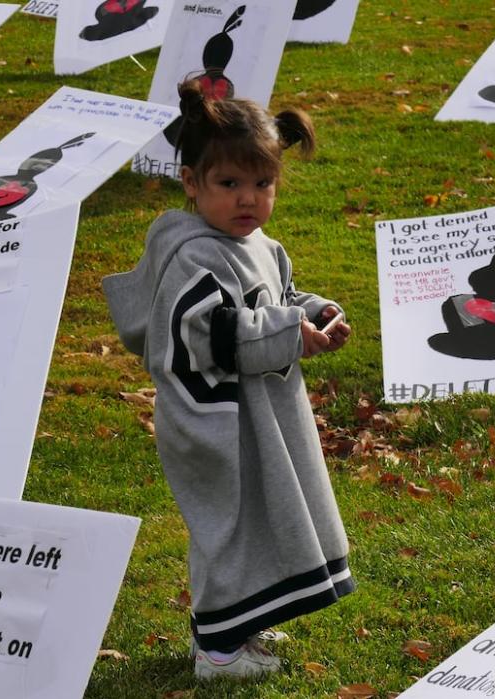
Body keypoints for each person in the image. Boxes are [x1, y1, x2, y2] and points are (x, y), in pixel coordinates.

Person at [102, 80, 354, 680]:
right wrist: (289, 330)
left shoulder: (261, 244)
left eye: (262, 184)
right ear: (192, 183)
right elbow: (208, 332)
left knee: (264, 514)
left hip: (261, 412)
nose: (248, 200)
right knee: (228, 523)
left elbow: (278, 298)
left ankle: (241, 624)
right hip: (213, 419)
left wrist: (315, 312)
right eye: (229, 184)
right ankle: (216, 650)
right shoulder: (191, 255)